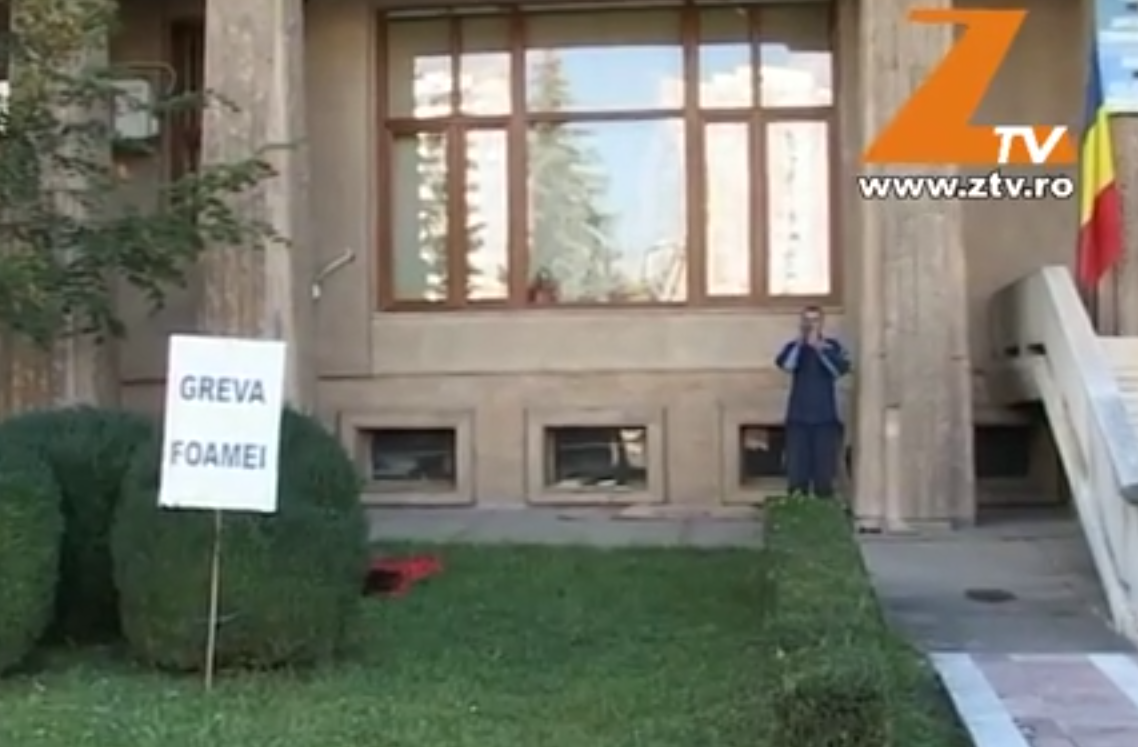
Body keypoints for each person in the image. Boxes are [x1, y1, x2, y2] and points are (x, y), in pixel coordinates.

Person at [774, 305, 851, 497]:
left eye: (814, 320)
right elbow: (786, 365)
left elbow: (839, 370)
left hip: (825, 418)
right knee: (797, 471)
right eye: (806, 320)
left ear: (822, 323)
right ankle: (798, 507)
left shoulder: (832, 347)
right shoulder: (793, 348)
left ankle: (822, 508)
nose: (810, 324)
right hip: (798, 418)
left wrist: (819, 350)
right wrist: (801, 344)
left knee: (823, 472)